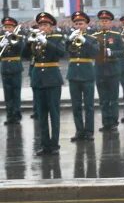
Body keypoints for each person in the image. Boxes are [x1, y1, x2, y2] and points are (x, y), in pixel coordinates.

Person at [27, 12, 67, 155]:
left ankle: (54, 145)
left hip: (52, 78)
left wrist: (46, 42)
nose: (43, 27)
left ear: (51, 27)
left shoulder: (57, 38)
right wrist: (28, 42)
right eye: (41, 25)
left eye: (45, 25)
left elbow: (62, 53)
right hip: (38, 78)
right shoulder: (35, 39)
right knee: (41, 114)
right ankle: (44, 145)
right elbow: (24, 56)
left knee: (54, 113)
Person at [65, 11, 100, 141]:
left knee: (89, 105)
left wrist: (85, 41)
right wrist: (68, 40)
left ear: (86, 24)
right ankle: (79, 131)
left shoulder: (92, 38)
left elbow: (96, 53)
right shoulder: (71, 38)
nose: (78, 26)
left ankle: (89, 131)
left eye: (81, 23)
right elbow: (63, 54)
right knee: (76, 105)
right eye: (76, 24)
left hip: (87, 73)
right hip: (74, 74)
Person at [92, 10, 124, 132]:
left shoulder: (116, 35)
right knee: (103, 99)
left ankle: (114, 121)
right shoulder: (95, 35)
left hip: (113, 71)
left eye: (106, 21)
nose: (104, 23)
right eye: (102, 21)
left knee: (113, 98)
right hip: (100, 70)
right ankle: (106, 122)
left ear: (110, 23)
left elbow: (123, 52)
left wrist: (113, 53)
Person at [1, 17, 24, 124]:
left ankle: (17, 114)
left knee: (16, 92)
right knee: (7, 93)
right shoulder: (1, 38)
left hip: (15, 67)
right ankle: (9, 115)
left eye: (9, 27)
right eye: (5, 27)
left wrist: (10, 39)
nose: (7, 29)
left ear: (14, 28)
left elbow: (22, 49)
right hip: (5, 67)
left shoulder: (18, 37)